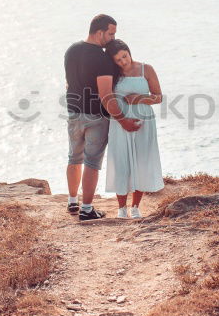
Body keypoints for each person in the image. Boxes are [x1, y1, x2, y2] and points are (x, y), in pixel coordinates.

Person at [64, 15, 140, 221]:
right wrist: (124, 120)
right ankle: (87, 209)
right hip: (95, 116)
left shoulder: (71, 50)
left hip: (73, 113)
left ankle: (72, 202)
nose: (112, 38)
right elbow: (106, 95)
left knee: (74, 157)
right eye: (111, 33)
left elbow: (68, 84)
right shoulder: (102, 58)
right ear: (99, 32)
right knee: (91, 162)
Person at [104, 39, 164, 218]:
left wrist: (139, 98)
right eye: (118, 60)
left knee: (141, 161)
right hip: (119, 120)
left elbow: (158, 97)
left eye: (124, 56)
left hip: (144, 120)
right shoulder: (111, 74)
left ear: (129, 52)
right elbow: (105, 96)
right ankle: (121, 208)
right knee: (121, 161)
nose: (123, 61)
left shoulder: (147, 69)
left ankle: (136, 206)